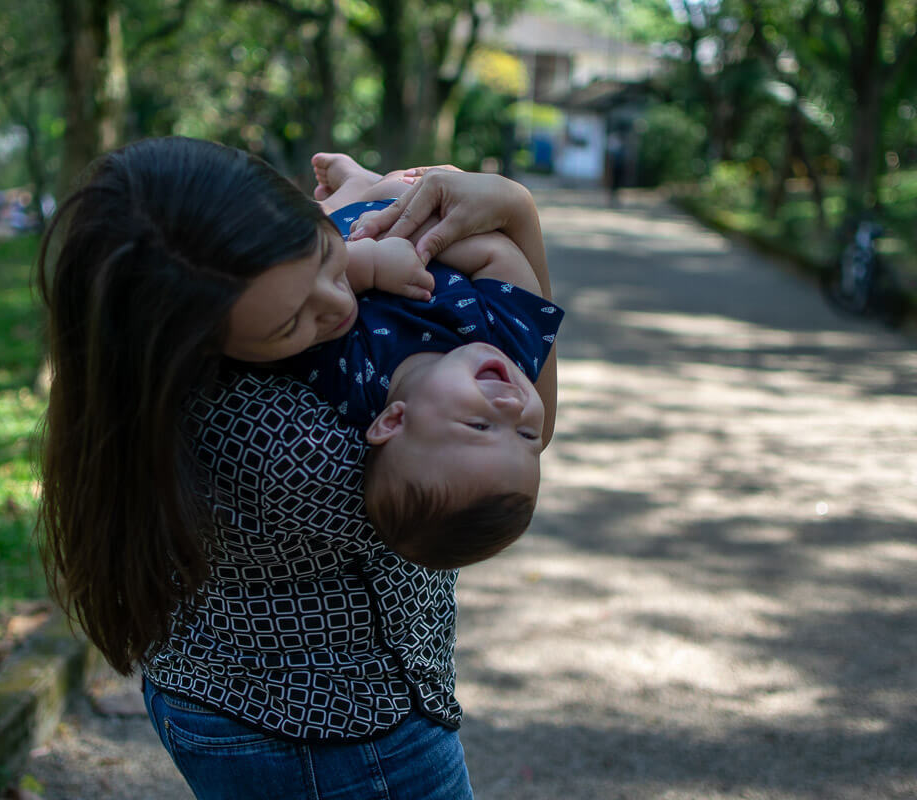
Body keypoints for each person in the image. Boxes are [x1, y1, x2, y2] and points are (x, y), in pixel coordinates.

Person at [36, 136, 553, 799]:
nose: (339, 307)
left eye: (326, 262)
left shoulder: (238, 327)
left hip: (242, 699)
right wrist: (514, 213)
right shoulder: (292, 449)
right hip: (333, 737)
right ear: (195, 349)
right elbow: (524, 442)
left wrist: (368, 219)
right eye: (293, 324)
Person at [266, 154, 564, 569]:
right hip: (421, 222)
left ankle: (359, 185)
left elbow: (297, 303)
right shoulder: (510, 344)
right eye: (528, 435)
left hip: (334, 240)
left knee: (309, 227)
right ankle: (365, 182)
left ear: (392, 421)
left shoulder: (350, 376)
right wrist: (417, 231)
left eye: (480, 425)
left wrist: (370, 265)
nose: (515, 407)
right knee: (401, 189)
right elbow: (499, 255)